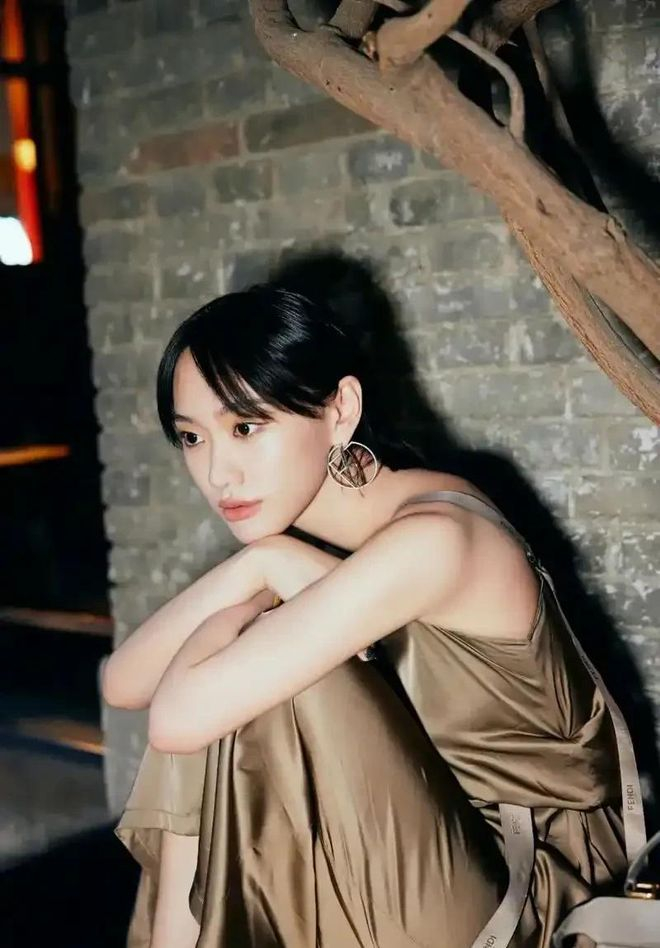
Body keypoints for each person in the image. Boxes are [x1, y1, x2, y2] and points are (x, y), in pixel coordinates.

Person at [103, 281, 627, 948]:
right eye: (191, 437)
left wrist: (264, 566)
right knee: (233, 668)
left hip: (531, 892)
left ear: (340, 410)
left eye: (245, 428)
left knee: (246, 678)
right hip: (426, 850)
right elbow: (123, 682)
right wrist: (256, 565)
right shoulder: (320, 538)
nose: (217, 473)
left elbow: (176, 719)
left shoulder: (436, 538)